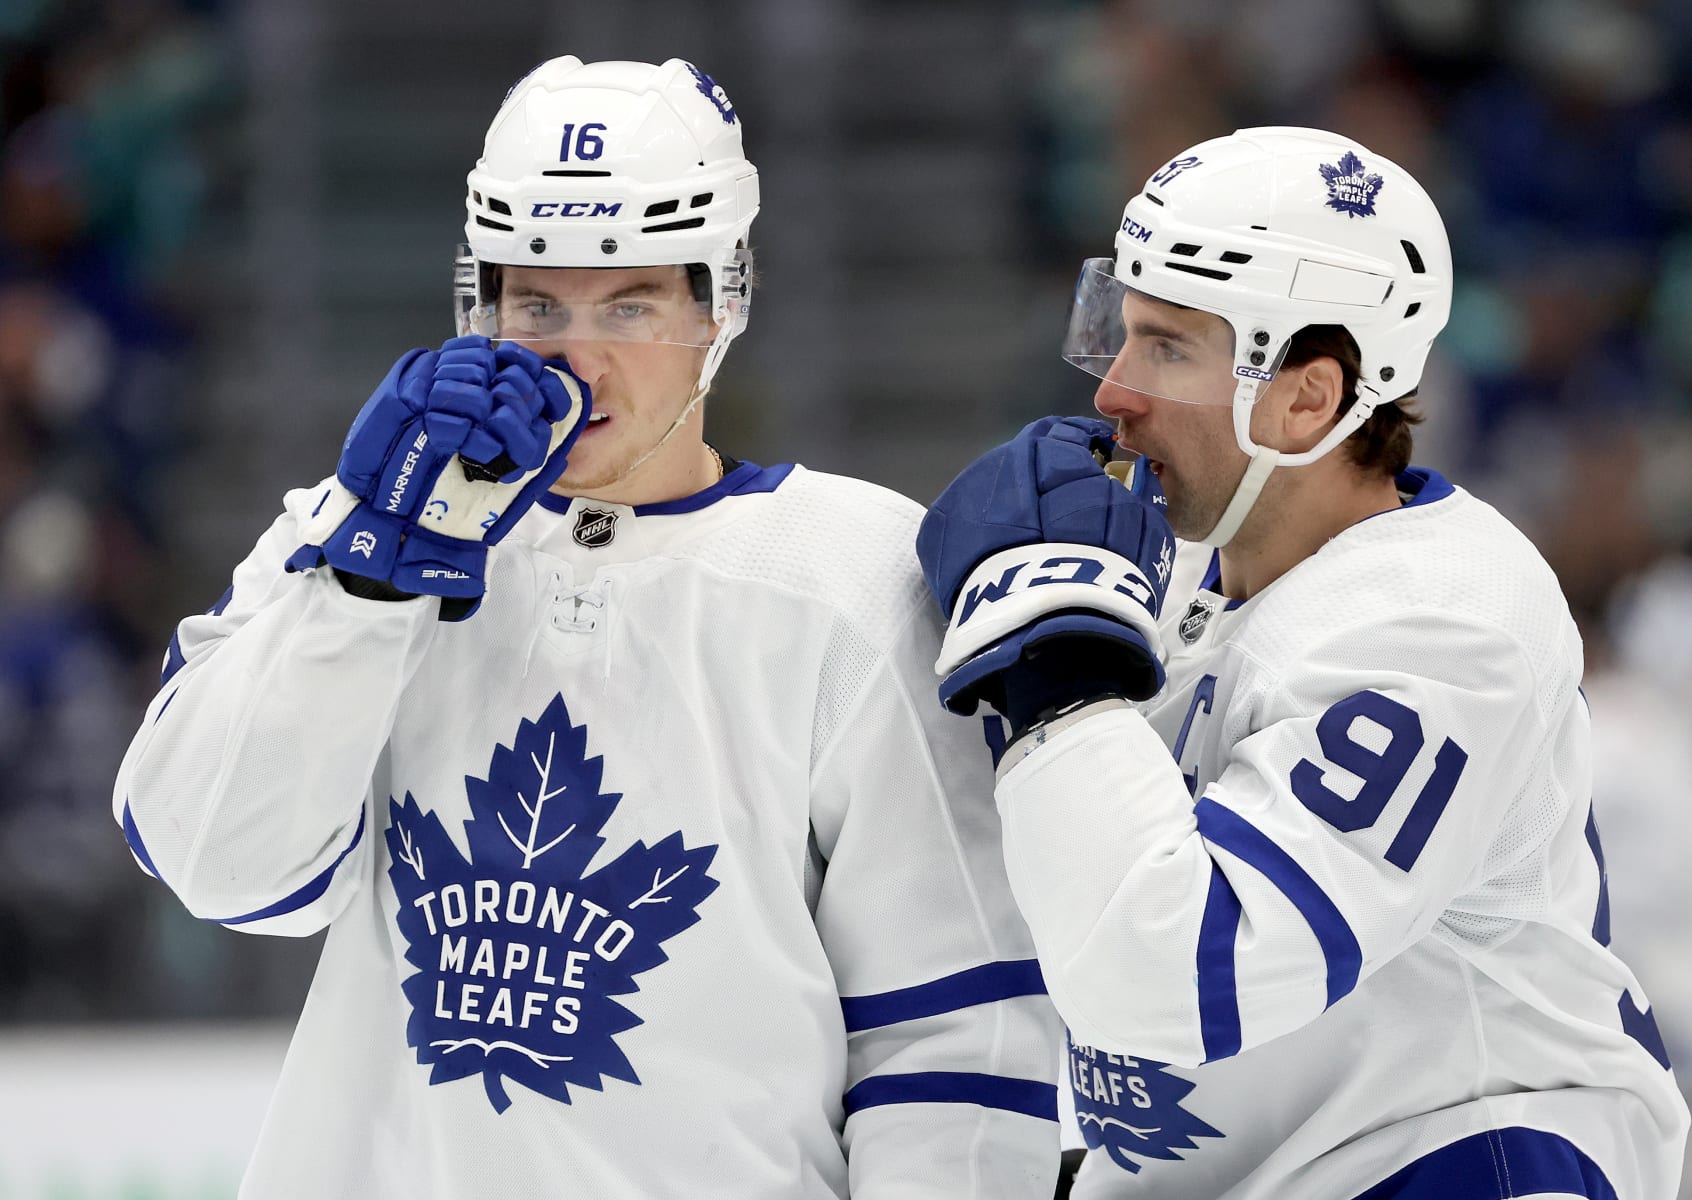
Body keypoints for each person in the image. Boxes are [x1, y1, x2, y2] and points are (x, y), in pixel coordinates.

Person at [113, 56, 1059, 1198]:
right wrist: (367, 585)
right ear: (483, 305)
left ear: (722, 301)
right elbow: (218, 865)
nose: (578, 356)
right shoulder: (347, 531)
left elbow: (951, 1040)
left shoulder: (851, 576)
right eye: (539, 304)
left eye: (632, 303)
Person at [916, 127, 1689, 1198]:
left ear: (1309, 399)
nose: (1113, 392)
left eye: (1170, 348)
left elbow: (1179, 976)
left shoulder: (1444, 623)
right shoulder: (1169, 566)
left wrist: (1055, 676)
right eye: (1120, 332)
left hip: (1450, 1164)